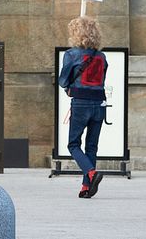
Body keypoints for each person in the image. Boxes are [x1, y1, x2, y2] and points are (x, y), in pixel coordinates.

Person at [58, 16, 107, 198]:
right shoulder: (102, 56)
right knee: (92, 146)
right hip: (99, 104)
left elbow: (63, 80)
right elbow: (103, 78)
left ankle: (91, 173)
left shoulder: (71, 54)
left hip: (80, 103)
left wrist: (70, 87)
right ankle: (86, 187)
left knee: (73, 144)